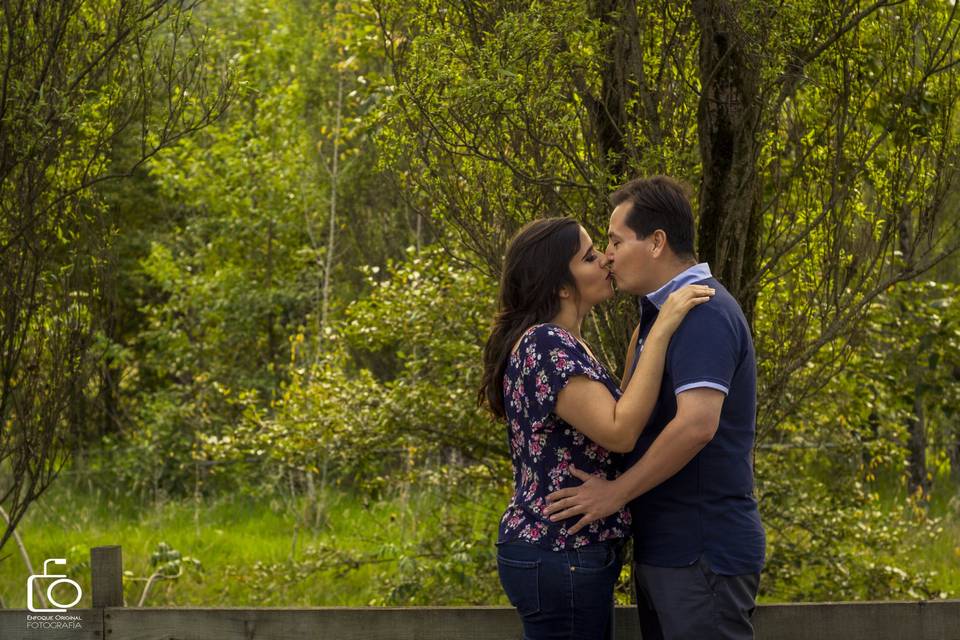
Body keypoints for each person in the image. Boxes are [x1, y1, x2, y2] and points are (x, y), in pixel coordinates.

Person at [543, 177, 766, 640]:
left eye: (616, 241)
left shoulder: (703, 312)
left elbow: (697, 426)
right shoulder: (662, 315)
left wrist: (615, 493)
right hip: (670, 549)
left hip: (701, 551)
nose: (607, 255)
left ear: (657, 243)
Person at [479, 216, 714, 640]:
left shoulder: (565, 342)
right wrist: (662, 328)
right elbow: (620, 431)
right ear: (561, 286)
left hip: (562, 549)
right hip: (558, 548)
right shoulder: (546, 343)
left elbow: (622, 405)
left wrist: (648, 326)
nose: (606, 260)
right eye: (589, 257)